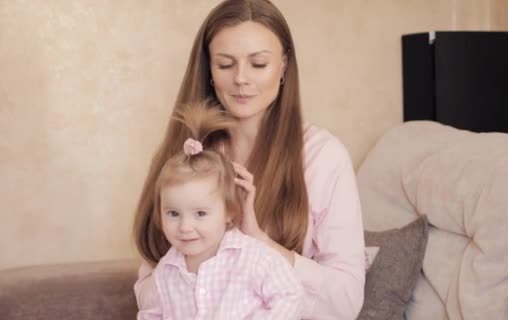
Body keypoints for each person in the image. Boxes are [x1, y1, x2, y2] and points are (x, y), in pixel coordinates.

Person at [132, 0, 365, 318]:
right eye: (225, 64)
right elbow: (149, 288)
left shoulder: (324, 158)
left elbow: (346, 302)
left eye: (258, 64)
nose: (241, 78)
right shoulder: (187, 152)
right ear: (209, 70)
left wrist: (258, 241)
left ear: (283, 65)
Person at [136, 102, 303, 319]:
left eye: (201, 214)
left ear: (229, 212)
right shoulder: (166, 272)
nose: (185, 227)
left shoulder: (253, 258)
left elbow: (289, 295)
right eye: (173, 213)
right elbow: (151, 314)